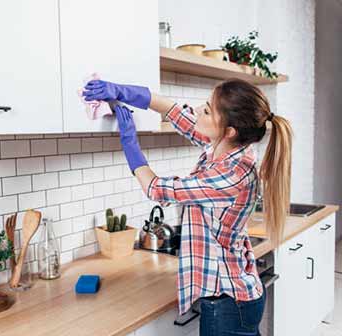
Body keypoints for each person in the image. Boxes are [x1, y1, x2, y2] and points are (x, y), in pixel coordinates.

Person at [83, 78, 293, 336]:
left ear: (229, 131)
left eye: (206, 110)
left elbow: (157, 189)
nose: (196, 110)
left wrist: (129, 143)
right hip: (234, 296)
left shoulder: (231, 174)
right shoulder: (223, 147)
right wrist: (120, 90)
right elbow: (172, 110)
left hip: (228, 302)